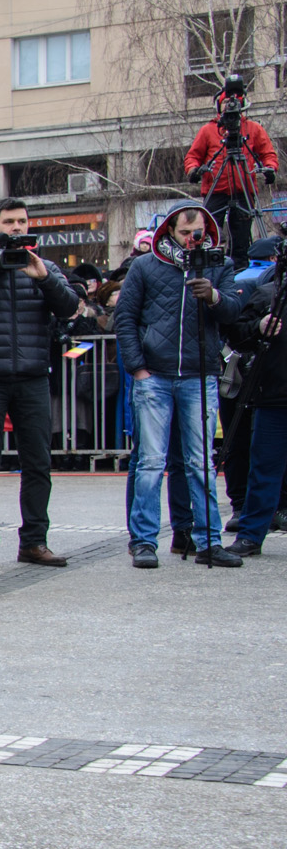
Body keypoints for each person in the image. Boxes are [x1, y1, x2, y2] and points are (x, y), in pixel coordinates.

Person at [113, 201, 246, 568]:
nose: (191, 240)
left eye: (197, 233)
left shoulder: (219, 265)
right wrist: (138, 368)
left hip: (197, 374)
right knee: (151, 462)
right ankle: (143, 541)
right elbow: (124, 319)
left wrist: (214, 297)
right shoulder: (144, 266)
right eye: (185, 233)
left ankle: (209, 541)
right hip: (155, 375)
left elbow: (234, 312)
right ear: (171, 229)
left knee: (200, 462)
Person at [0, 198, 83, 568]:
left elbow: (69, 308)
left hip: (32, 376)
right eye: (8, 222)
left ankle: (34, 541)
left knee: (38, 463)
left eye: (21, 221)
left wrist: (44, 278)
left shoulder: (44, 266)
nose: (16, 228)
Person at [225, 254, 287, 555]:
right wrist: (259, 327)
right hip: (274, 397)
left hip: (273, 395)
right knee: (263, 469)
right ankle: (251, 534)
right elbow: (238, 336)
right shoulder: (268, 295)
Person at [184, 74, 278, 261]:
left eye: (233, 101)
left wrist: (270, 168)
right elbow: (192, 156)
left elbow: (268, 153)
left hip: (244, 189)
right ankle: (208, 266)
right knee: (208, 233)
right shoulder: (208, 130)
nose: (229, 105)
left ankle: (240, 268)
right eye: (225, 101)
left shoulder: (253, 129)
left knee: (242, 238)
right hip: (216, 189)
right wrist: (193, 170)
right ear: (219, 105)